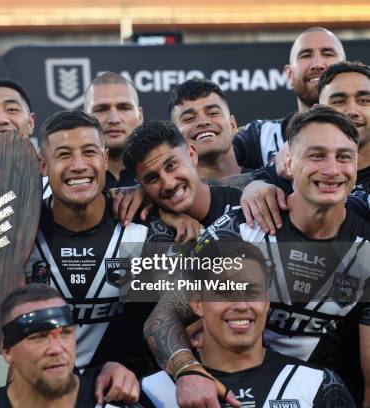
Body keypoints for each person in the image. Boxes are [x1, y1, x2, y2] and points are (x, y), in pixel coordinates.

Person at [144, 106, 370, 407]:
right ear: (287, 162)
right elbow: (162, 318)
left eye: (344, 157)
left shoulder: (366, 246)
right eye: (316, 155)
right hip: (228, 395)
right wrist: (188, 370)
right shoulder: (242, 229)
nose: (331, 170)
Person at [141, 241, 356, 408]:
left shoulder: (318, 384)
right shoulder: (153, 389)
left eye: (252, 292)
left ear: (266, 301)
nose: (241, 304)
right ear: (197, 304)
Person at [25, 110, 153, 377]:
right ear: (43, 165)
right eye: (63, 155)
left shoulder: (142, 230)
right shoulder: (19, 234)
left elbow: (173, 320)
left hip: (120, 393)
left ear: (105, 158)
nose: (79, 164)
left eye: (89, 152)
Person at [242, 61, 370, 235]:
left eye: (364, 100)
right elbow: (210, 195)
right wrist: (252, 187)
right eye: (339, 101)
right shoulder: (289, 167)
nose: (352, 110)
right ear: (318, 108)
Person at [0, 284, 142, 407]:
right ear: (7, 351)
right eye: (38, 337)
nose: (56, 349)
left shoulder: (114, 402)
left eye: (65, 333)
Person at [234, 27, 346, 170]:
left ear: (345, 69)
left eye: (328, 53)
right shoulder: (258, 136)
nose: (317, 64)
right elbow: (213, 172)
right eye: (306, 55)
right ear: (289, 74)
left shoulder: (364, 130)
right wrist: (258, 181)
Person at [123, 120, 241, 244]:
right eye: (152, 178)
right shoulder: (138, 232)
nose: (169, 184)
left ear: (191, 155)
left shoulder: (246, 208)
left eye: (171, 165)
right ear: (141, 186)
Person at [169, 79, 248, 181]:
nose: (203, 121)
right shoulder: (171, 194)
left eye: (213, 113)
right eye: (189, 118)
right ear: (175, 137)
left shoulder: (270, 181)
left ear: (232, 125)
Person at [84, 72, 144, 189]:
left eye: (124, 108)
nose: (114, 119)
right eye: (101, 109)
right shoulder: (61, 184)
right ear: (85, 118)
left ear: (140, 116)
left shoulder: (164, 177)